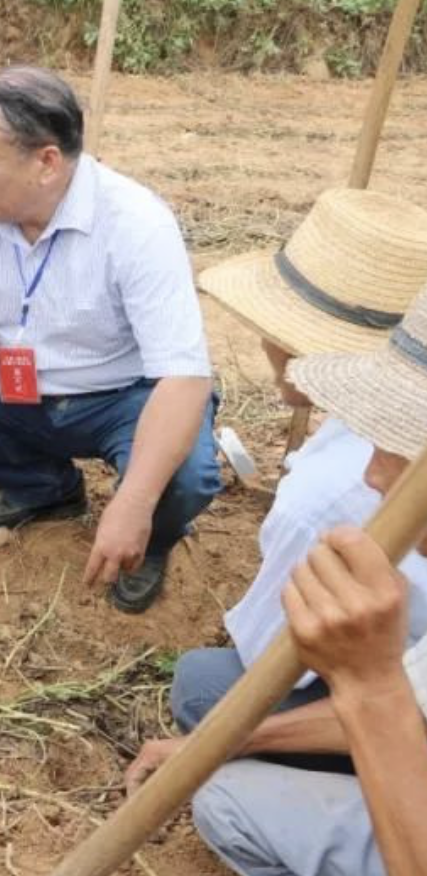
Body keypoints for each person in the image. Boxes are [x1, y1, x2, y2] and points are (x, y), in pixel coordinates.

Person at [126, 286, 427, 876]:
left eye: (401, 450)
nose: (372, 474)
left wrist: (368, 685)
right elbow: (417, 703)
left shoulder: (321, 500)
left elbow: (286, 656)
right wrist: (224, 743)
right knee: (211, 701)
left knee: (211, 703)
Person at [0, 66, 220, 613]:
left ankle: (151, 541)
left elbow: (184, 377)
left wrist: (133, 502)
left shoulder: (135, 223)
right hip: (22, 392)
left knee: (186, 477)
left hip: (126, 398)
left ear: (46, 162)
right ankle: (47, 489)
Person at [165, 189, 427, 731]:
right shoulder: (367, 446)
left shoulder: (330, 492)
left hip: (397, 698)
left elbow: (273, 657)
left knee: (201, 682)